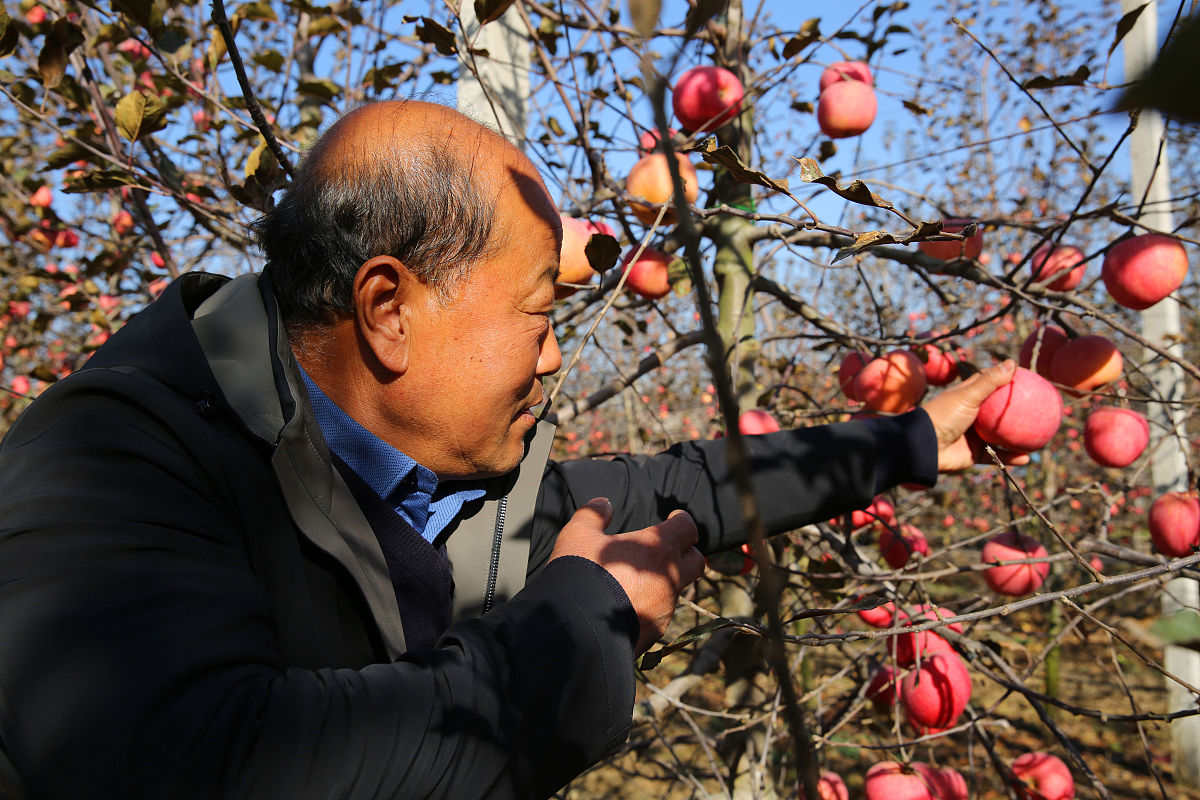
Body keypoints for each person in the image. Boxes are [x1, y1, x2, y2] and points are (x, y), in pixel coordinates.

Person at [0, 101, 1019, 800]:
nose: (555, 356)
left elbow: (686, 485)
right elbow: (219, 764)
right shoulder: (108, 465)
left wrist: (909, 440)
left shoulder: (424, 482)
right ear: (388, 310)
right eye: (537, 315)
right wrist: (583, 622)